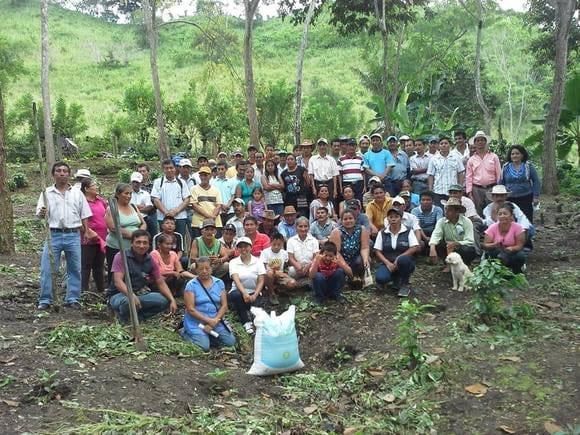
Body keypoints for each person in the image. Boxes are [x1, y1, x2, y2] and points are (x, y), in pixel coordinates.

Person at [107, 230, 177, 323]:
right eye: (138, 242)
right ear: (132, 243)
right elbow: (118, 282)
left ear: (149, 245)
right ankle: (121, 318)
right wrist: (131, 295)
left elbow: (160, 281)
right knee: (127, 302)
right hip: (119, 295)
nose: (141, 246)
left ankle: (139, 318)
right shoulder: (121, 256)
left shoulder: (150, 259)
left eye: (145, 243)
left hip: (140, 293)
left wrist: (172, 300)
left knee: (164, 301)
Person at [181, 257, 236, 351]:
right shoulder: (191, 285)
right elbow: (190, 309)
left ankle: (208, 335)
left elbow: (224, 306)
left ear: (211, 268)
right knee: (204, 346)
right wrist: (208, 321)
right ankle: (184, 332)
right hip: (196, 321)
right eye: (201, 269)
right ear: (196, 270)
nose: (204, 271)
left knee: (230, 342)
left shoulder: (219, 283)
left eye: (207, 268)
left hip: (215, 319)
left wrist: (213, 322)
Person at [374, 207, 420, 297]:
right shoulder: (382, 232)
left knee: (403, 260)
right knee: (380, 278)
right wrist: (387, 263)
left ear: (401, 218)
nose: (393, 219)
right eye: (391, 217)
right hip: (388, 262)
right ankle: (395, 278)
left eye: (396, 217)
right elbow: (377, 250)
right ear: (387, 219)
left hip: (405, 262)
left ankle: (404, 284)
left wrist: (399, 258)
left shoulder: (408, 230)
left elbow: (414, 247)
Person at [105, 183, 146, 281]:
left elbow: (143, 223)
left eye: (130, 194)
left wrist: (140, 235)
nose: (129, 196)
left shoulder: (133, 206)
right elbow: (113, 228)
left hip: (134, 247)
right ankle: (114, 293)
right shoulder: (112, 208)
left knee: (133, 270)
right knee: (116, 272)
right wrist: (134, 236)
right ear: (118, 194)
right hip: (116, 247)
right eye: (126, 193)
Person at [228, 237, 266, 334]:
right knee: (237, 296)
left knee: (257, 312)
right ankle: (246, 322)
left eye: (246, 246)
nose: (243, 249)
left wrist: (255, 294)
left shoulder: (258, 261)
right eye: (240, 247)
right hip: (238, 291)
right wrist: (244, 293)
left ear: (251, 247)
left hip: (254, 291)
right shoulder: (233, 262)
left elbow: (261, 280)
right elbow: (236, 279)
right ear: (237, 249)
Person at [151, 159, 191, 241]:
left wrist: (176, 211)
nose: (169, 170)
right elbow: (156, 199)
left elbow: (187, 199)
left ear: (175, 168)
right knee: (164, 241)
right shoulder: (158, 182)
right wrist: (166, 212)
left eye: (171, 168)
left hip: (180, 217)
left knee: (180, 240)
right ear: (163, 169)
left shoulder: (181, 182)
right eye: (166, 168)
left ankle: (181, 254)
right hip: (163, 218)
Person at [429, 198, 477, 266]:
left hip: (461, 247)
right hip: (447, 247)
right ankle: (447, 264)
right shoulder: (442, 221)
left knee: (468, 250)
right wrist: (432, 247)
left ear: (457, 211)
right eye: (446, 209)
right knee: (438, 244)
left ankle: (465, 264)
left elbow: (470, 240)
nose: (446, 212)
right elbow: (436, 235)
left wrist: (456, 244)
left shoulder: (466, 221)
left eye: (450, 210)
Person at [482, 203, 528, 274]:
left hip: (512, 252)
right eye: (500, 214)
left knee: (520, 256)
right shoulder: (492, 227)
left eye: (505, 213)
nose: (502, 216)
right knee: (492, 253)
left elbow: (520, 245)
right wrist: (494, 244)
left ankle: (516, 272)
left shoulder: (518, 227)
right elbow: (485, 244)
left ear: (511, 215)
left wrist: (511, 249)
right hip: (497, 251)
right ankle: (497, 272)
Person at [500, 145, 541, 223]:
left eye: (517, 153)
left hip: (526, 197)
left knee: (526, 219)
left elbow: (536, 181)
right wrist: (500, 197)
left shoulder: (528, 166)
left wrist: (536, 196)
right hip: (510, 198)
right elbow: (501, 182)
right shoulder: (506, 167)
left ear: (522, 155)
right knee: (511, 219)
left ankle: (527, 235)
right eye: (512, 154)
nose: (515, 155)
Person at [80, 178, 107, 293]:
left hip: (102, 238)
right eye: (94, 185)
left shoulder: (100, 201)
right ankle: (84, 290)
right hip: (88, 239)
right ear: (86, 189)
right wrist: (87, 231)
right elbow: (79, 219)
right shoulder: (82, 202)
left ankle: (100, 290)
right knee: (86, 265)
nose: (96, 187)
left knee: (99, 265)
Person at [465, 130, 501, 216]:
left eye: (482, 140)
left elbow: (499, 174)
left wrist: (499, 189)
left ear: (485, 142)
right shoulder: (471, 159)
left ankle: (492, 228)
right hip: (476, 189)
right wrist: (469, 193)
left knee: (493, 210)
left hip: (491, 188)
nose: (480, 142)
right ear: (474, 143)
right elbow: (469, 177)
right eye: (478, 140)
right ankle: (481, 228)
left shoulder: (493, 157)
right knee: (478, 211)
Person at [329, 210, 370, 281]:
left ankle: (359, 277)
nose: (348, 221)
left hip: (356, 258)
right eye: (345, 219)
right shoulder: (337, 232)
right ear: (341, 221)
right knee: (339, 271)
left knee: (364, 260)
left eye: (350, 218)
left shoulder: (361, 229)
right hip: (341, 260)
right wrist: (345, 267)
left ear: (355, 219)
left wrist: (365, 259)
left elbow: (365, 247)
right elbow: (336, 253)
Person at [427, 136, 465, 207]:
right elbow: (431, 175)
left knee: (453, 210)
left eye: (446, 143)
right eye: (441, 143)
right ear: (438, 146)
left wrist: (460, 186)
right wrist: (430, 189)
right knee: (440, 210)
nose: (444, 145)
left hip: (453, 191)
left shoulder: (456, 157)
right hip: (438, 190)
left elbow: (460, 172)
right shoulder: (433, 159)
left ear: (449, 145)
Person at [261, 232, 297, 305]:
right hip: (269, 275)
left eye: (279, 244)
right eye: (274, 244)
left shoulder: (284, 253)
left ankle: (278, 289)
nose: (276, 247)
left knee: (292, 283)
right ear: (270, 243)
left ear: (282, 244)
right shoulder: (265, 252)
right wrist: (275, 272)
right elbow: (264, 268)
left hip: (280, 275)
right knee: (269, 273)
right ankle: (271, 293)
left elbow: (286, 268)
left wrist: (284, 274)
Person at [190, 166, 223, 238]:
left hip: (215, 223)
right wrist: (209, 217)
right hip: (199, 223)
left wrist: (212, 218)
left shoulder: (216, 190)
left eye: (206, 175)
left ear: (210, 176)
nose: (203, 177)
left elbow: (219, 205)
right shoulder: (194, 189)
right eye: (201, 175)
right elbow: (194, 205)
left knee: (216, 246)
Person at [287, 217, 320, 285]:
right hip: (297, 268)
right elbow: (291, 258)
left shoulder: (314, 240)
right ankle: (305, 282)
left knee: (315, 270)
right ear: (296, 227)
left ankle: (306, 282)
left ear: (308, 227)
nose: (303, 229)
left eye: (305, 226)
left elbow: (315, 257)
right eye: (300, 226)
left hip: (310, 266)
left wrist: (308, 266)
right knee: (291, 271)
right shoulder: (291, 240)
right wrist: (297, 266)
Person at [309, 138, 340, 202]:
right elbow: (311, 175)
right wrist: (313, 188)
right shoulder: (312, 159)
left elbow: (335, 175)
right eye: (320, 145)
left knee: (331, 202)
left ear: (327, 146)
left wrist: (335, 190)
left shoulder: (331, 159)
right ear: (317, 147)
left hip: (329, 183)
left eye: (324, 145)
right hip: (317, 183)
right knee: (318, 203)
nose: (322, 147)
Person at [338, 139, 365, 203]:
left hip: (359, 184)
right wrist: (341, 187)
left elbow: (363, 173)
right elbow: (339, 175)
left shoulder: (360, 158)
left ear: (356, 147)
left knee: (359, 201)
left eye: (353, 145)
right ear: (347, 146)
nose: (351, 147)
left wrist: (364, 186)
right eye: (350, 145)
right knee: (347, 203)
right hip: (346, 183)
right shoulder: (341, 159)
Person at [211, 161, 236, 227]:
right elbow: (213, 197)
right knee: (219, 231)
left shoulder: (231, 181)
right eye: (219, 169)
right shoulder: (213, 183)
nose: (220, 171)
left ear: (226, 169)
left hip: (230, 210)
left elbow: (233, 195)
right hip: (218, 211)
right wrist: (221, 205)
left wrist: (228, 205)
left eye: (222, 169)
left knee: (230, 231)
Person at [136, 163, 157, 238]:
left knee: (153, 235)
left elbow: (155, 201)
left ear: (148, 172)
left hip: (153, 214)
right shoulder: (134, 186)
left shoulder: (155, 185)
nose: (142, 173)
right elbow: (131, 204)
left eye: (144, 171)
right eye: (140, 171)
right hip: (139, 215)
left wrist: (138, 207)